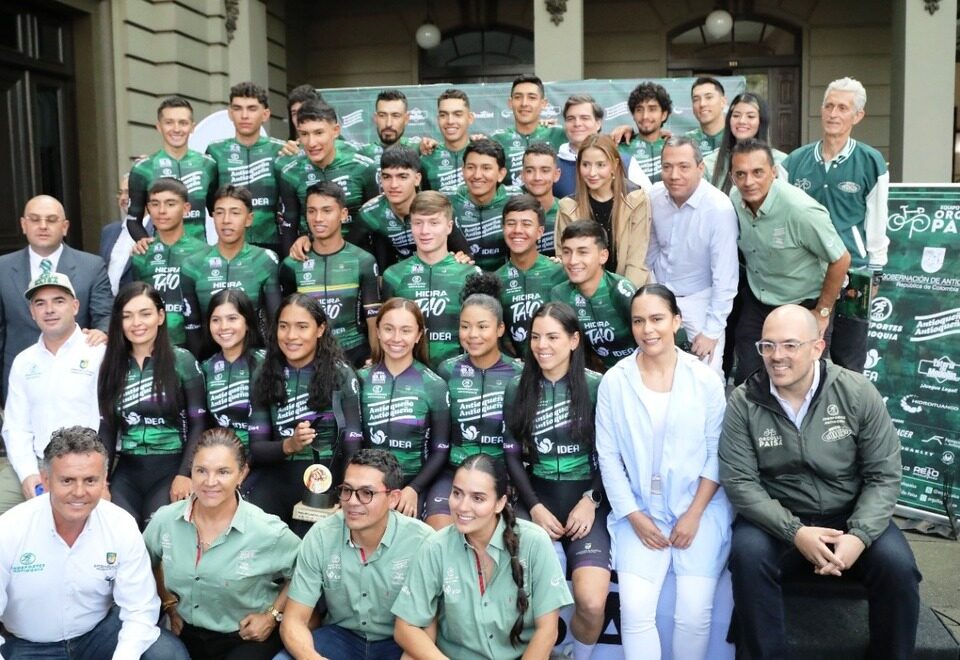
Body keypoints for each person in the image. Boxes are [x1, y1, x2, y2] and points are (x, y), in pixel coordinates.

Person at [719, 304, 921, 660]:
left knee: (898, 567)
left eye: (789, 345)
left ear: (817, 348)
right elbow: (740, 482)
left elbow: (884, 476)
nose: (776, 356)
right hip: (777, 520)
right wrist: (794, 532)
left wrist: (859, 536)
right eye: (767, 345)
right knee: (747, 556)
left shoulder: (856, 392)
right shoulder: (744, 401)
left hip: (849, 514)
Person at [596, 285, 732, 659]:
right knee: (636, 611)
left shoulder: (703, 379)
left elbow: (717, 452)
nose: (647, 329)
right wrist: (635, 517)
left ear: (676, 321)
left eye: (657, 319)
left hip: (699, 509)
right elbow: (608, 458)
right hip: (637, 511)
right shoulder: (615, 381)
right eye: (638, 321)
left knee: (693, 614)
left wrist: (693, 515)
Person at [0, 427, 189, 660]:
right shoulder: (9, 529)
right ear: (46, 481)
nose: (79, 492)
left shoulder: (120, 525)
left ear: (104, 481)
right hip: (29, 646)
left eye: (90, 480)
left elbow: (139, 608)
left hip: (98, 634)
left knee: (167, 654)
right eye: (67, 480)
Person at [503, 302, 611, 660]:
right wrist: (533, 507)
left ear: (574, 340)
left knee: (593, 603)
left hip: (585, 501)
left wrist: (591, 499)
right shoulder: (517, 386)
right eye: (535, 337)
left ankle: (576, 655)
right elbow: (512, 456)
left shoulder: (598, 386)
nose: (542, 345)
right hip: (536, 498)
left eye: (552, 336)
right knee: (530, 597)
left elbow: (612, 456)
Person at [392, 453, 574, 660]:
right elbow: (405, 627)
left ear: (500, 503)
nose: (462, 506)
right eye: (457, 493)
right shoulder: (435, 547)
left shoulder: (534, 542)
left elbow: (547, 631)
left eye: (477, 498)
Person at [144, 428, 300, 660]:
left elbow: (306, 570)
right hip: (186, 632)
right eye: (201, 471)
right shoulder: (165, 520)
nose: (210, 482)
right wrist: (168, 603)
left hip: (244, 638)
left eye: (223, 472)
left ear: (242, 474)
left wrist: (272, 615)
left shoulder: (266, 530)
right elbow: (144, 561)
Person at [277, 449, 434, 660]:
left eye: (366, 493)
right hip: (341, 636)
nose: (352, 501)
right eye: (347, 490)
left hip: (398, 642)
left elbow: (427, 627)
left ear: (393, 498)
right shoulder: (321, 536)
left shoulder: (422, 542)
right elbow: (294, 621)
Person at [783, 77, 889, 373]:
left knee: (849, 359)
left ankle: (847, 417)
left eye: (843, 107)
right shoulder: (796, 162)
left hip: (853, 273)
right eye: (829, 105)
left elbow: (877, 221)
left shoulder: (871, 161)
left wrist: (876, 274)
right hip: (804, 273)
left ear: (857, 116)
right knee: (801, 356)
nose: (833, 113)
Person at [729, 139, 851, 384]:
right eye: (740, 174)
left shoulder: (800, 210)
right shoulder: (734, 199)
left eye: (757, 172)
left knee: (801, 381)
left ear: (773, 172)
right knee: (749, 378)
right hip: (759, 299)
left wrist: (823, 311)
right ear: (732, 176)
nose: (748, 181)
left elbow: (840, 259)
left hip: (803, 302)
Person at [97, 282, 207, 528]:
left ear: (160, 316)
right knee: (122, 529)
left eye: (145, 314)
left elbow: (199, 422)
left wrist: (185, 473)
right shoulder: (111, 365)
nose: (137, 323)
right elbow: (107, 428)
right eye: (127, 316)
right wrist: (100, 479)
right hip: (128, 469)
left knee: (156, 532)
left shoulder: (183, 361)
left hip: (171, 467)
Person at [248, 294, 363, 525]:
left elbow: (353, 442)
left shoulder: (341, 374)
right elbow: (257, 448)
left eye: (302, 327)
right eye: (283, 327)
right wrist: (290, 445)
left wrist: (348, 489)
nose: (291, 336)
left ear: (320, 329)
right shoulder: (264, 373)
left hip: (328, 478)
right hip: (277, 477)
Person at [0, 273, 105, 515]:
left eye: (58, 300)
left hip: (85, 464)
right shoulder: (24, 361)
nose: (49, 309)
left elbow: (108, 421)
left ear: (75, 306)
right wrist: (28, 474)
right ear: (32, 312)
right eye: (40, 303)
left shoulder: (99, 352)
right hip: (38, 463)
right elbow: (16, 427)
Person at [431, 273, 523, 528]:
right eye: (465, 326)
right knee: (439, 533)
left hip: (501, 476)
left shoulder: (518, 374)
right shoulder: (447, 370)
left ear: (500, 329)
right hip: (452, 473)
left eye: (482, 327)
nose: (472, 335)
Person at [0, 194, 112, 403]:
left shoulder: (92, 266)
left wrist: (103, 332)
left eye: (51, 220)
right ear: (23, 225)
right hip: (20, 382)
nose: (43, 226)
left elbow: (105, 315)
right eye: (35, 219)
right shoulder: (2, 268)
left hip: (77, 381)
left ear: (65, 227)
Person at [647, 137, 739, 375]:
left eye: (683, 166)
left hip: (700, 301)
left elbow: (725, 277)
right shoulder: (655, 196)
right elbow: (650, 252)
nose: (674, 174)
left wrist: (710, 331)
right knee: (659, 372)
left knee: (707, 377)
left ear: (700, 168)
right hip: (660, 297)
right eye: (667, 167)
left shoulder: (719, 208)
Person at [357, 298, 450, 527]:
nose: (396, 338)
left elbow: (440, 450)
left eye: (406, 330)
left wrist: (414, 489)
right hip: (369, 484)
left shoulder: (434, 385)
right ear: (377, 331)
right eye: (388, 329)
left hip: (415, 483)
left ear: (419, 335)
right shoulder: (360, 379)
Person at [280, 181, 381, 368]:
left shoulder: (364, 261)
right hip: (309, 356)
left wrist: (376, 359)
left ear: (343, 215)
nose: (318, 218)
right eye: (312, 211)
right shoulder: (291, 265)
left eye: (327, 211)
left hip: (355, 353)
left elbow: (373, 318)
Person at [382, 191, 481, 369]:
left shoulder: (470, 274)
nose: (425, 231)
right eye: (418, 223)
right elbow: (384, 331)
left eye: (434, 223)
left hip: (459, 374)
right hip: (410, 377)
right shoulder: (394, 275)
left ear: (449, 227)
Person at [181, 185, 282, 350]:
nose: (226, 220)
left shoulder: (265, 260)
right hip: (210, 360)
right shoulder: (192, 264)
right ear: (212, 216)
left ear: (249, 219)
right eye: (220, 213)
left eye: (235, 213)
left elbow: (276, 321)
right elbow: (192, 327)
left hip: (255, 357)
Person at [277, 100, 378, 252]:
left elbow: (376, 222)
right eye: (304, 134)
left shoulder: (364, 168)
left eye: (319, 133)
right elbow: (288, 228)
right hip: (312, 259)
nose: (311, 143)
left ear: (335, 131)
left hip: (358, 259)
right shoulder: (290, 172)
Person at [555, 133, 651, 287]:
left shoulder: (636, 199)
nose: (592, 173)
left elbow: (637, 260)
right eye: (586, 165)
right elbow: (564, 258)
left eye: (600, 165)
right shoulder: (568, 206)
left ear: (615, 165)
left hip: (629, 290)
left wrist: (625, 297)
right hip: (583, 293)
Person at [206, 81, 288, 255]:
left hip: (273, 243)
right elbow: (210, 201)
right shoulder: (215, 151)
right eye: (237, 108)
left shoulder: (281, 151)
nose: (244, 115)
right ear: (230, 113)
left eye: (252, 109)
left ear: (265, 114)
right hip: (229, 245)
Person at [129, 178, 208, 352]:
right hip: (152, 346)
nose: (162, 211)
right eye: (155, 204)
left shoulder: (205, 254)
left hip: (196, 346)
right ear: (148, 208)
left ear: (186, 209)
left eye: (170, 204)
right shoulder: (141, 254)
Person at [126, 95, 217, 242]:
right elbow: (133, 220)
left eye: (183, 123)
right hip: (162, 257)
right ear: (159, 126)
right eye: (169, 122)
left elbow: (218, 211)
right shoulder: (143, 168)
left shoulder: (208, 165)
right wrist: (145, 242)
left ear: (192, 127)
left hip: (200, 257)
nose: (176, 129)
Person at [551, 220, 637, 371]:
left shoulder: (620, 290)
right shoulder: (560, 294)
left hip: (638, 370)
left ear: (603, 256)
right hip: (597, 377)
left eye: (582, 252)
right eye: (566, 252)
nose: (572, 261)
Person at [494, 194, 566, 355]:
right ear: (503, 228)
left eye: (526, 224)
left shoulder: (559, 272)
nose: (517, 230)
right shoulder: (496, 280)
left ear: (540, 231)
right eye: (511, 224)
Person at [201, 288, 264, 454]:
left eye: (232, 319)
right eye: (216, 320)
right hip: (220, 457)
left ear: (248, 322)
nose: (223, 327)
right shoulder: (206, 367)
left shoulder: (265, 362)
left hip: (261, 459)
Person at [447, 138, 523, 271]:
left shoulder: (516, 199)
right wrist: (449, 259)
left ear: (501, 174)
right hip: (461, 278)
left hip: (507, 280)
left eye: (486, 168)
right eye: (471, 167)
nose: (477, 175)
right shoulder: (447, 200)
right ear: (463, 171)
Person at [704, 92, 789, 195]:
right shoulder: (710, 162)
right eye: (736, 115)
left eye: (750, 116)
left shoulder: (781, 161)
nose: (742, 121)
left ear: (761, 121)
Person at [490, 74, 566, 186]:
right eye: (518, 97)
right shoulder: (497, 140)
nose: (524, 103)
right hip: (510, 203)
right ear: (510, 103)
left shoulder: (560, 135)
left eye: (532, 97)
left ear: (543, 103)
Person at [420, 88, 475, 192]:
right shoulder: (426, 159)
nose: (450, 121)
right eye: (443, 115)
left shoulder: (483, 154)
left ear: (470, 118)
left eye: (457, 114)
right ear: (438, 119)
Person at [619, 82, 673, 184]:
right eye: (639, 110)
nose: (645, 116)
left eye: (652, 109)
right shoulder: (620, 149)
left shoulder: (675, 147)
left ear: (664, 115)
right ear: (633, 115)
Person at [556, 94, 605, 198]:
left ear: (598, 123)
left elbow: (645, 200)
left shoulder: (622, 161)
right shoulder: (552, 165)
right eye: (570, 119)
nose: (577, 123)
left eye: (584, 118)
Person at [357, 89, 421, 166]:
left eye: (395, 116)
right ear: (375, 118)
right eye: (382, 115)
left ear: (406, 119)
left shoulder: (421, 149)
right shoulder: (362, 156)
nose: (388, 124)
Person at [520, 142, 562, 257]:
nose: (537, 177)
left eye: (545, 170)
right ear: (522, 175)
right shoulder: (512, 213)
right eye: (530, 171)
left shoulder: (567, 212)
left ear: (556, 175)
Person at [685, 77, 727, 158]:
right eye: (696, 99)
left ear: (723, 102)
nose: (702, 104)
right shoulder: (686, 141)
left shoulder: (736, 137)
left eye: (708, 97)